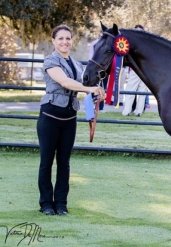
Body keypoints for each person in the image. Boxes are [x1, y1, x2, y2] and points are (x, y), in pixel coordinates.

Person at [37, 24, 105, 216]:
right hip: (49, 118)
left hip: (69, 120)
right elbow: (65, 82)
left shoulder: (77, 65)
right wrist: (90, 88)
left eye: (68, 38)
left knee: (64, 163)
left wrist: (96, 93)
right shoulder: (50, 61)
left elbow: (83, 87)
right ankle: (46, 204)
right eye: (61, 38)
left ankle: (61, 204)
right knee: (46, 162)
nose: (65, 42)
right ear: (53, 41)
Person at [122, 24, 148, 117]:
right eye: (136, 30)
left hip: (141, 69)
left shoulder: (139, 43)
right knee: (134, 90)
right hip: (137, 69)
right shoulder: (142, 43)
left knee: (139, 90)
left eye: (140, 31)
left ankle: (134, 111)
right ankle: (132, 111)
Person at [88, 33, 109, 112]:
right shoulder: (94, 44)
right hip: (94, 69)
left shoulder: (107, 45)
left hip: (103, 70)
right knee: (91, 87)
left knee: (103, 87)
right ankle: (90, 106)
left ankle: (101, 107)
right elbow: (90, 56)